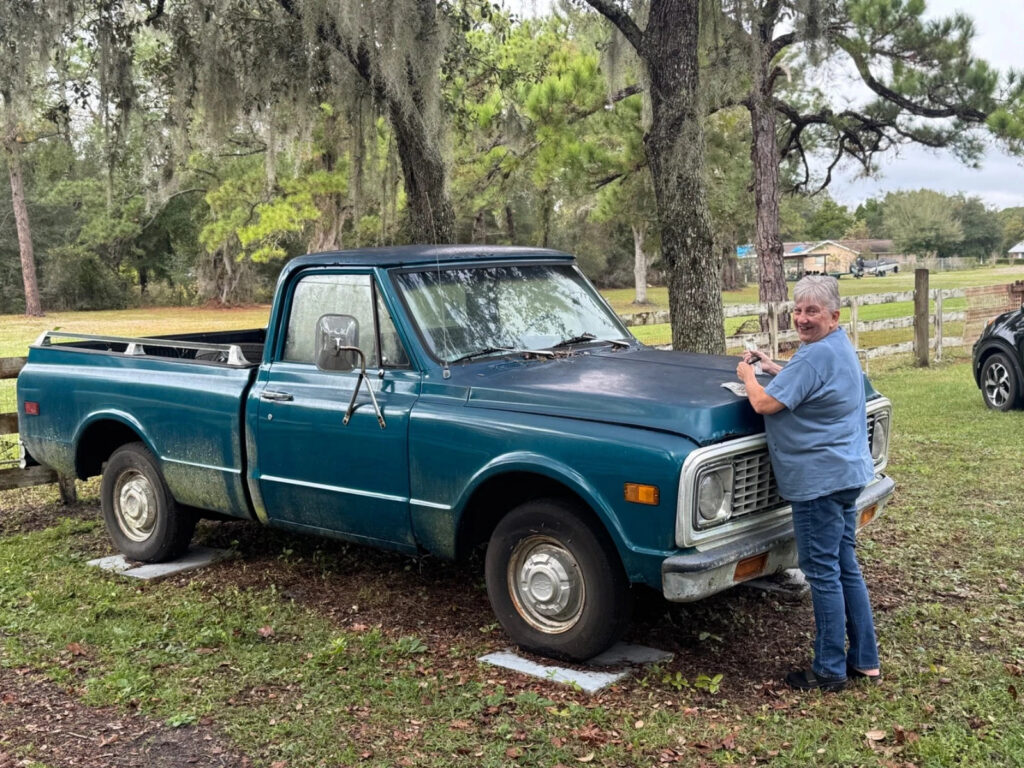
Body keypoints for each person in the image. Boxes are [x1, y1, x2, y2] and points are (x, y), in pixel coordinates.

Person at [735, 275, 880, 692]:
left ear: (833, 315)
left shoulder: (815, 355)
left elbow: (764, 402)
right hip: (847, 474)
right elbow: (809, 381)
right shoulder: (835, 347)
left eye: (812, 311)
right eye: (797, 310)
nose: (802, 318)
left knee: (822, 573)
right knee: (845, 566)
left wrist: (749, 375)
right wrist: (770, 365)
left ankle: (830, 669)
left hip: (819, 482)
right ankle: (865, 660)